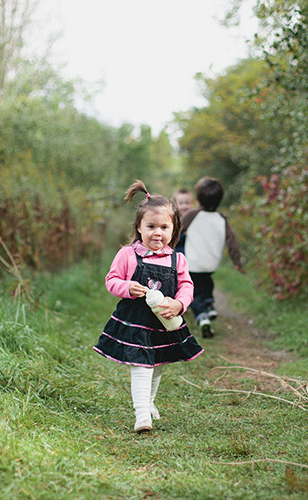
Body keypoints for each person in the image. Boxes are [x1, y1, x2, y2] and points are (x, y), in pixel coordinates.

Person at [94, 180, 203, 433]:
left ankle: (150, 402)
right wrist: (127, 287)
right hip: (137, 321)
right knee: (142, 365)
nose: (158, 232)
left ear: (173, 229)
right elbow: (111, 281)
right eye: (151, 226)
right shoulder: (128, 254)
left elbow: (187, 287)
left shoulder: (177, 259)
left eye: (164, 227)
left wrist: (179, 304)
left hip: (164, 322)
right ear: (139, 227)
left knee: (156, 366)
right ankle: (142, 414)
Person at [181, 176, 244, 338]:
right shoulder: (222, 219)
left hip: (193, 263)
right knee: (206, 281)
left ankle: (202, 315)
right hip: (211, 264)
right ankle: (209, 304)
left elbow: (175, 231)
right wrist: (237, 262)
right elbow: (232, 242)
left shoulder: (192, 215)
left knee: (193, 290)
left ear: (197, 199)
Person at [172, 188, 195, 254]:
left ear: (192, 204)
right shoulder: (175, 220)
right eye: (181, 203)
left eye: (187, 203)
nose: (184, 206)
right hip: (179, 254)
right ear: (176, 205)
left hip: (193, 254)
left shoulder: (194, 219)